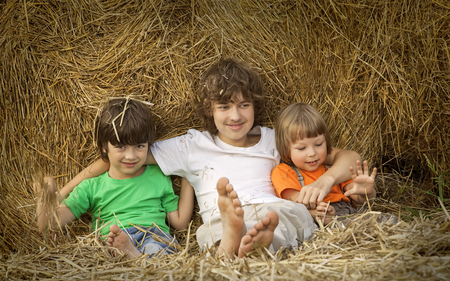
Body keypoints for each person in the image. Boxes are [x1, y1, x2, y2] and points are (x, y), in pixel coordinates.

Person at [58, 58, 362, 258]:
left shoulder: (273, 139)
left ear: (255, 106)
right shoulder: (192, 145)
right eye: (224, 107)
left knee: (281, 219)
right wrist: (67, 188)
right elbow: (122, 153)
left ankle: (256, 240)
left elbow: (349, 157)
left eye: (244, 105)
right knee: (218, 229)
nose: (235, 116)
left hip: (273, 208)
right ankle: (236, 237)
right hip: (222, 214)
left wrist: (326, 180)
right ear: (209, 110)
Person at [35, 98, 194, 258]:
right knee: (106, 252)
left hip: (153, 235)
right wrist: (45, 200)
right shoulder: (91, 187)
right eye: (121, 147)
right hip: (113, 239)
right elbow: (50, 224)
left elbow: (180, 224)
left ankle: (134, 256)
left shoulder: (158, 175)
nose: (131, 156)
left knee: (157, 250)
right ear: (105, 147)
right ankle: (132, 255)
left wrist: (188, 175)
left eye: (139, 146)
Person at [271, 103, 376, 223]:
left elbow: (361, 199)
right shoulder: (283, 172)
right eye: (301, 148)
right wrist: (321, 213)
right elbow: (296, 204)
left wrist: (366, 192)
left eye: (318, 144)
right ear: (286, 149)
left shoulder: (334, 167)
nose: (312, 153)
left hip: (349, 214)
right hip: (318, 217)